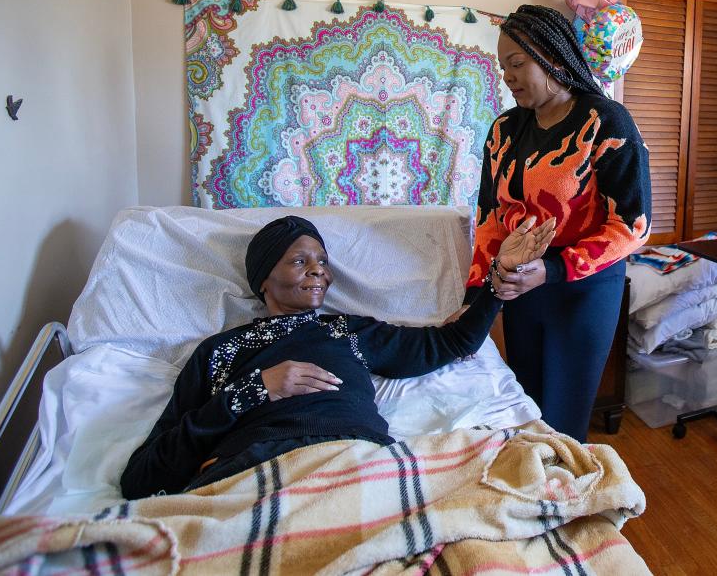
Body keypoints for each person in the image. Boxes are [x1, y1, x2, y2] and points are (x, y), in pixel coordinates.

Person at [120, 213, 555, 499]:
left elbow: (452, 344)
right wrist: (256, 390)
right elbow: (141, 478)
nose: (319, 270)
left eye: (323, 261)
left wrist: (502, 275)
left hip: (358, 463)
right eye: (299, 261)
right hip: (250, 471)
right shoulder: (220, 352)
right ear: (263, 278)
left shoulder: (347, 331)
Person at [467, 4, 651, 441]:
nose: (508, 77)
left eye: (517, 64)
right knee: (526, 407)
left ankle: (564, 500)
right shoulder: (504, 129)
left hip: (582, 289)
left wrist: (551, 269)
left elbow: (633, 225)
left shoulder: (605, 122)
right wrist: (481, 289)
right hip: (521, 287)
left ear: (552, 57)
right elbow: (490, 218)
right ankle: (532, 498)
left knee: (564, 422)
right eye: (503, 67)